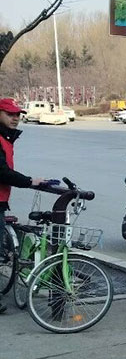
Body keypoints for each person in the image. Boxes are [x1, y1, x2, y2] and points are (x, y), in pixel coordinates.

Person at [0, 98, 45, 315]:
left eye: (18, 114)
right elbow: (2, 172)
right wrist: (29, 181)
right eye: (10, 114)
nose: (15, 118)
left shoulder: (6, 138)